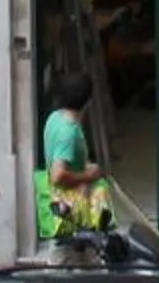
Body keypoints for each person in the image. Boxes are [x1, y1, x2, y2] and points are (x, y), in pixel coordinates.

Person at [42, 71, 109, 236]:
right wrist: (88, 175)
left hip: (65, 205)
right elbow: (57, 175)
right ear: (87, 101)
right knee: (68, 253)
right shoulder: (69, 132)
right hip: (72, 208)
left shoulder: (55, 118)